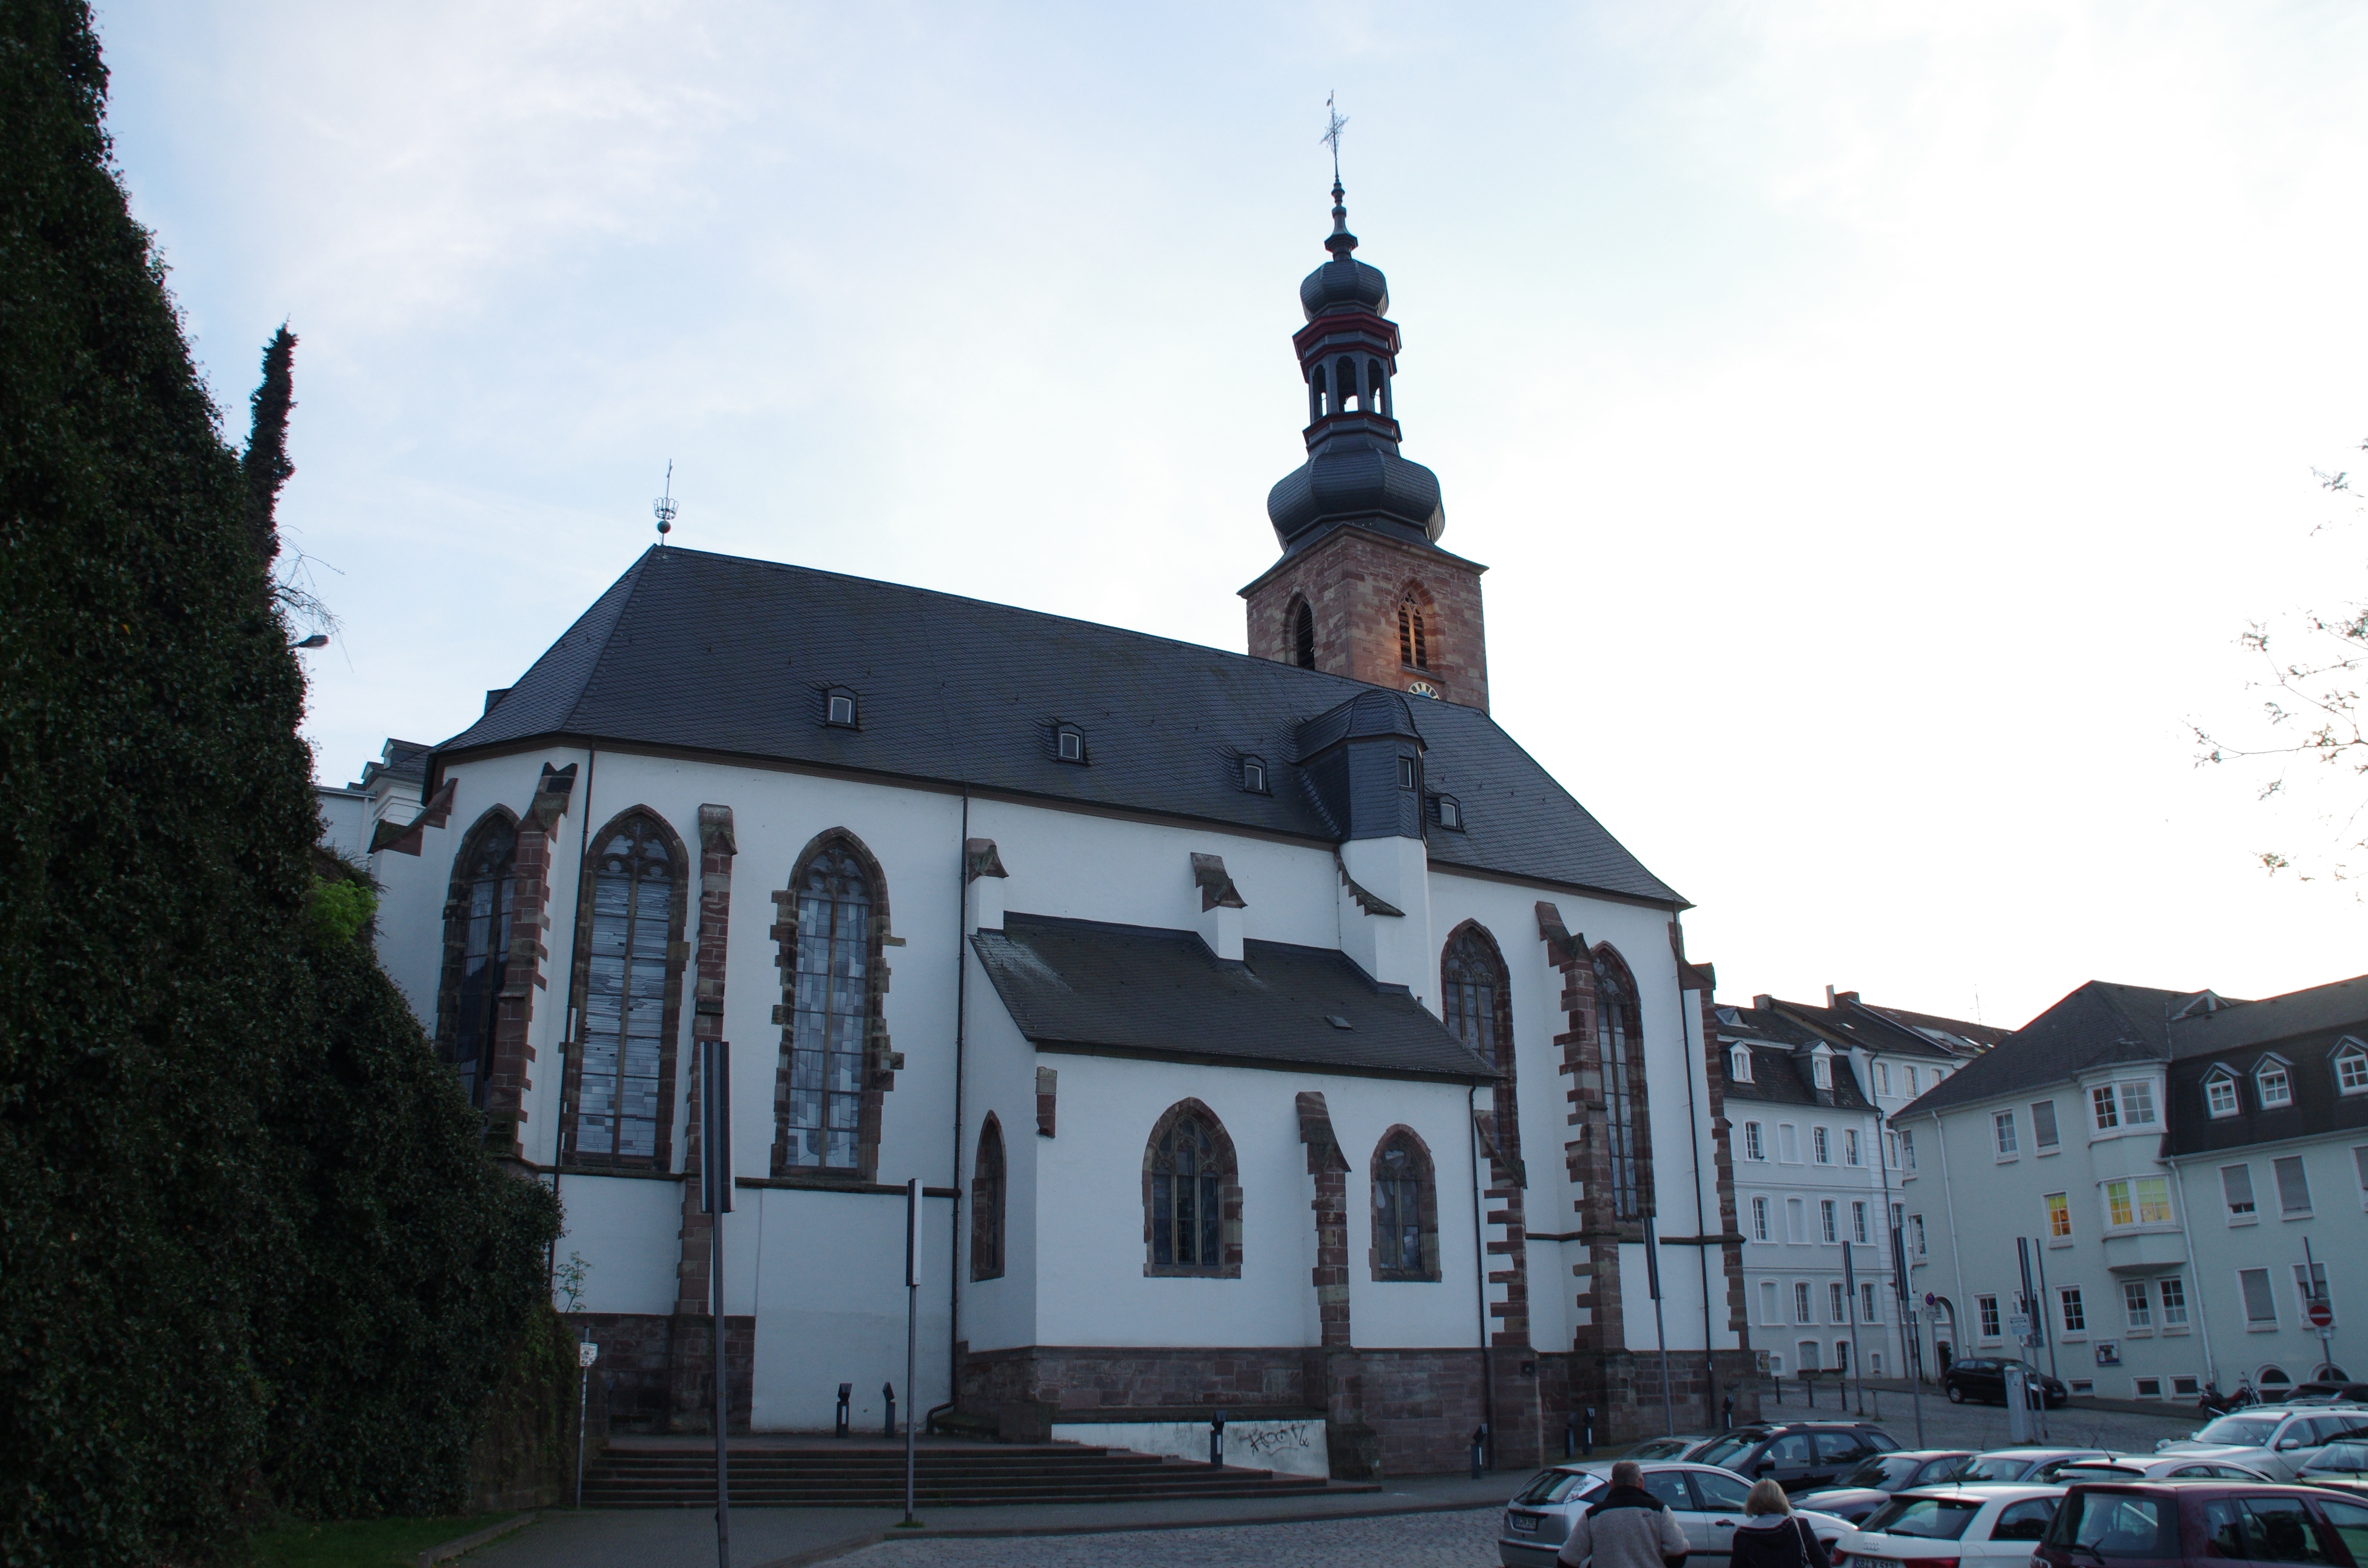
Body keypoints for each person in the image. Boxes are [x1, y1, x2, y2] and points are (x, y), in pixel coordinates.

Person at [1557, 1460, 1690, 1568]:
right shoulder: (1659, 1510)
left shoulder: (1594, 1515)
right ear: (1641, 1483)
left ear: (1612, 1484)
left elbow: (1567, 1558)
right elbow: (1678, 1549)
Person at [1728, 1478, 1831, 1568]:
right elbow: (1823, 1564)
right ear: (1782, 1499)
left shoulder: (1743, 1536)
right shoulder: (1800, 1527)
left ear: (1752, 1501)